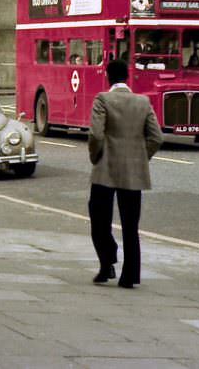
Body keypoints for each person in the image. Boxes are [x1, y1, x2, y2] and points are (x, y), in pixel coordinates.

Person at [87, 59, 162, 288]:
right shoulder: (142, 102)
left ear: (108, 77)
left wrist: (96, 157)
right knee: (131, 226)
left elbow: (96, 135)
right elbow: (156, 137)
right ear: (127, 77)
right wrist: (141, 157)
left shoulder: (103, 100)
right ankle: (129, 276)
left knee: (99, 220)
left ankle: (107, 261)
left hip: (105, 170)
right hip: (133, 173)